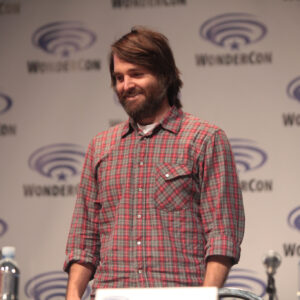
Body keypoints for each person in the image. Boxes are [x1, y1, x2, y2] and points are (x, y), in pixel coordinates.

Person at [64, 26, 245, 300]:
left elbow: (222, 234)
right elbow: (83, 241)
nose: (126, 85)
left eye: (137, 74)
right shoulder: (100, 147)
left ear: (165, 75)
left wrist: (207, 296)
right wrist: (73, 296)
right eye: (119, 77)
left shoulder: (206, 139)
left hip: (181, 294)